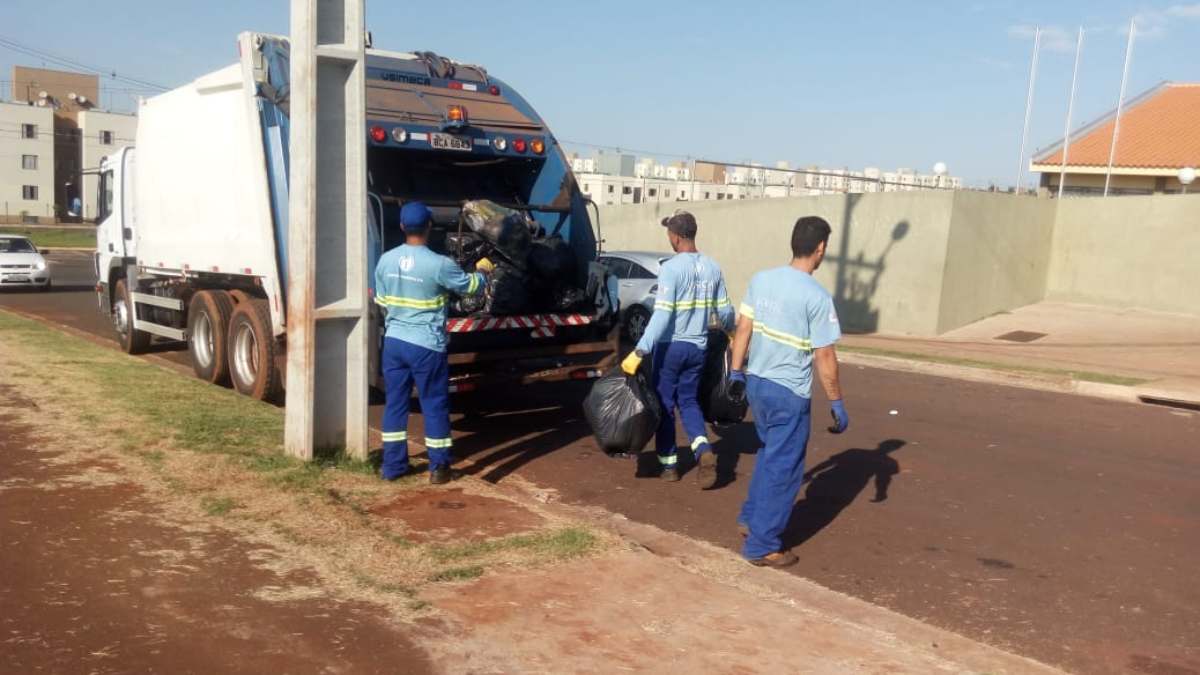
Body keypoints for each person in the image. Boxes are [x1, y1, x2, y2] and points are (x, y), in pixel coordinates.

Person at [728, 215, 849, 567]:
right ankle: (762, 545)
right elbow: (825, 356)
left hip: (757, 384)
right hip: (788, 393)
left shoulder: (762, 280)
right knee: (784, 467)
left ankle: (751, 518)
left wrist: (736, 371)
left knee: (769, 454)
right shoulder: (817, 296)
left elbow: (744, 327)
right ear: (821, 248)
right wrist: (837, 403)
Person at [374, 201, 493, 484]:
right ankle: (439, 468)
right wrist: (484, 271)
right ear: (429, 226)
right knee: (434, 405)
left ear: (402, 227)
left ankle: (393, 467)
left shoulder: (385, 261)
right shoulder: (439, 264)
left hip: (394, 343)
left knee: (395, 404)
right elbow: (470, 286)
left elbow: (381, 302)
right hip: (426, 345)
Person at [620, 210, 735, 487]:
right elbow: (726, 311)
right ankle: (703, 450)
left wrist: (640, 350)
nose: (668, 238)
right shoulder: (712, 267)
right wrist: (730, 333)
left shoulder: (671, 269)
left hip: (670, 348)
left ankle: (669, 465)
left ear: (677, 236)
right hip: (698, 348)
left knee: (664, 403)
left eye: (669, 233)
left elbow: (661, 315)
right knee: (689, 401)